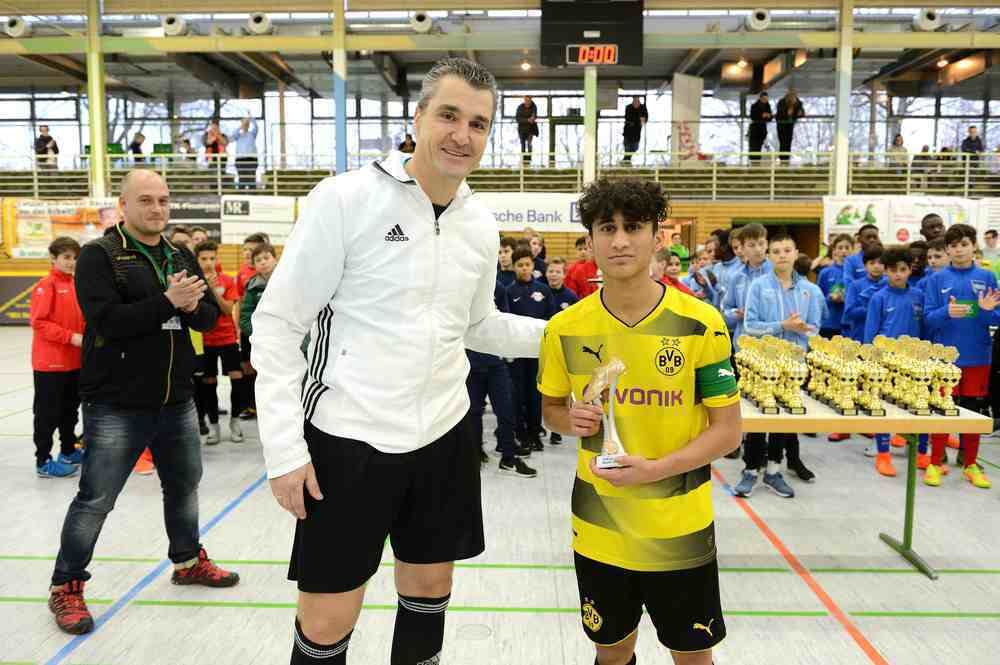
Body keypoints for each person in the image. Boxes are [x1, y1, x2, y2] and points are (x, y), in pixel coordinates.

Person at [249, 58, 548, 665]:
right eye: (449, 115)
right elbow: (278, 325)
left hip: (442, 434)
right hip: (347, 439)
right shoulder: (345, 200)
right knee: (329, 614)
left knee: (430, 587)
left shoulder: (480, 225)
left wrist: (570, 331)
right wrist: (284, 450)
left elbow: (478, 326)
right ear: (418, 118)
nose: (462, 134)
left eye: (479, 123)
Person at [539, 177, 740, 665]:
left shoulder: (700, 323)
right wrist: (574, 419)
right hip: (600, 524)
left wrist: (654, 470)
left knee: (691, 655)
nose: (621, 240)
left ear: (657, 236)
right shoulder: (564, 328)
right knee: (612, 652)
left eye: (634, 227)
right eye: (608, 228)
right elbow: (551, 412)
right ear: (590, 240)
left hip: (679, 526)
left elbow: (728, 431)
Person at [46, 170, 238, 636]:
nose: (158, 209)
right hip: (116, 402)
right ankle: (66, 585)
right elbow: (107, 322)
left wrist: (193, 308)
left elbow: (211, 317)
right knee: (95, 499)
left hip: (176, 398)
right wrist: (171, 301)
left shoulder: (179, 253)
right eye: (147, 201)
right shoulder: (100, 256)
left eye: (164, 200)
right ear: (123, 206)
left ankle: (188, 560)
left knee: (184, 486)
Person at [736, 233, 823, 497]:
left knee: (783, 420)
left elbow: (816, 332)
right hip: (762, 365)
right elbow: (750, 326)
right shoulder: (759, 287)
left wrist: (802, 329)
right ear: (770, 256)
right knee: (757, 419)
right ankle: (750, 470)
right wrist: (782, 326)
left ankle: (773, 470)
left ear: (796, 253)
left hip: (794, 367)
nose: (782, 255)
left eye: (787, 250)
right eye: (776, 251)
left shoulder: (812, 291)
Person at [923, 224, 1000, 489]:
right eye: (953, 245)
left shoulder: (987, 277)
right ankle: (935, 463)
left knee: (973, 412)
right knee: (942, 411)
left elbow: (996, 317)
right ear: (947, 250)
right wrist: (947, 311)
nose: (959, 249)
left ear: (973, 247)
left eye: (964, 244)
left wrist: (986, 311)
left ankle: (970, 464)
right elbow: (928, 320)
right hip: (945, 358)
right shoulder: (936, 279)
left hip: (978, 356)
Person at [862, 246, 928, 476]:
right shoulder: (879, 298)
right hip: (885, 362)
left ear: (910, 270)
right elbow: (870, 333)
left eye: (902, 269)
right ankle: (883, 454)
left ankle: (920, 453)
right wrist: (871, 360)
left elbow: (924, 328)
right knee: (883, 407)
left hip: (913, 363)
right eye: (893, 270)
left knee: (918, 405)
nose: (898, 274)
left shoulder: (919, 295)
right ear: (886, 271)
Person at [30, 237, 85, 479]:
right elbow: (39, 322)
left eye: (74, 257)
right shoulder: (46, 285)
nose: (71, 262)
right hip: (50, 363)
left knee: (70, 411)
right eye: (66, 257)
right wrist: (70, 337)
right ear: (53, 258)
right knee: (47, 414)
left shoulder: (76, 285)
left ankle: (68, 451)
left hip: (74, 362)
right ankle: (43, 461)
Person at [467, 281, 535, 474]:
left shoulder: (499, 289)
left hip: (496, 364)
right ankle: (475, 453)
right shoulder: (466, 286)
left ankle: (508, 457)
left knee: (506, 411)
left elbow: (504, 323)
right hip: (471, 363)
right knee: (473, 412)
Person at [195, 240, 247, 445]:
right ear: (197, 260)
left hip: (227, 338)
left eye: (212, 258)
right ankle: (214, 426)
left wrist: (213, 291)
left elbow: (227, 309)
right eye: (204, 259)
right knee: (209, 383)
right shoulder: (194, 282)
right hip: (205, 340)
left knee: (237, 378)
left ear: (217, 258)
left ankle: (235, 422)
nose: (208, 262)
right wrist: (204, 286)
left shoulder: (227, 280)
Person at [507, 247, 558, 451]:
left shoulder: (543, 290)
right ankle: (521, 432)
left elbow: (552, 318)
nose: (524, 268)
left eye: (528, 264)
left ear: (533, 265)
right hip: (518, 353)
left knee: (536, 393)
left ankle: (535, 431)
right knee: (518, 394)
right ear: (514, 267)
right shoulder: (510, 292)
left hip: (538, 351)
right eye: (520, 265)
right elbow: (508, 322)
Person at [721, 224, 770, 346]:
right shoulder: (737, 277)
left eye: (761, 243)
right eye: (752, 245)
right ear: (742, 248)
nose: (758, 249)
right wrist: (737, 313)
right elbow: (725, 310)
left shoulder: (778, 273)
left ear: (767, 244)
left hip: (771, 344)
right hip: (743, 345)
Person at [842, 246, 887, 342]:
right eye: (872, 263)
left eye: (880, 263)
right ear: (865, 266)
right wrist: (873, 309)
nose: (876, 266)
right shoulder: (855, 285)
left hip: (885, 337)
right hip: (860, 335)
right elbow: (849, 312)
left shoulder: (890, 284)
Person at [817, 233, 853, 339]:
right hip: (829, 324)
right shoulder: (825, 272)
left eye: (847, 248)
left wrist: (847, 299)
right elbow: (818, 299)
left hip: (849, 325)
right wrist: (830, 298)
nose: (844, 251)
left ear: (853, 250)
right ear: (835, 250)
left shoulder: (857, 274)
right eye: (840, 248)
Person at [775, 89, 805, 164]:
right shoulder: (782, 102)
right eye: (790, 95)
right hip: (781, 125)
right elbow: (779, 114)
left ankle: (786, 159)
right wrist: (787, 112)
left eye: (793, 95)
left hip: (790, 125)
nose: (792, 97)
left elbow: (802, 113)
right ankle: (782, 159)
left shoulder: (798, 103)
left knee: (788, 142)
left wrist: (799, 113)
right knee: (782, 142)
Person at [230, 117, 259, 190]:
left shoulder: (252, 134)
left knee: (251, 179)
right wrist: (241, 126)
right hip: (240, 160)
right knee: (242, 179)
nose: (245, 125)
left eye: (247, 124)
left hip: (252, 159)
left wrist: (250, 119)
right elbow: (233, 135)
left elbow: (256, 126)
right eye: (244, 124)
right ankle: (241, 194)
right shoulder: (238, 135)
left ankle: (253, 195)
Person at [748, 91, 772, 163]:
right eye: (764, 99)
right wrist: (762, 115)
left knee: (759, 148)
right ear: (760, 98)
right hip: (755, 130)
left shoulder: (768, 106)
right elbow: (753, 117)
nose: (765, 100)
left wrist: (768, 116)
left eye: (766, 99)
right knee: (754, 148)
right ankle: (753, 163)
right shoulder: (754, 106)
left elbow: (770, 118)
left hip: (762, 130)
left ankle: (757, 163)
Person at [622, 96, 648, 165]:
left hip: (637, 132)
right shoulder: (628, 107)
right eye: (634, 100)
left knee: (635, 148)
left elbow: (645, 118)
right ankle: (626, 161)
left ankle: (626, 160)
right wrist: (639, 119)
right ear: (633, 100)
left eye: (637, 100)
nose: (636, 102)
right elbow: (628, 118)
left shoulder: (643, 107)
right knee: (627, 148)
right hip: (628, 131)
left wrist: (641, 120)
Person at [515, 95, 538, 165]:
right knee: (523, 145)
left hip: (530, 129)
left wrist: (533, 118)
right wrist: (527, 120)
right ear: (524, 100)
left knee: (529, 144)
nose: (527, 102)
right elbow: (518, 119)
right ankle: (523, 160)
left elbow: (535, 115)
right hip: (522, 129)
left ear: (531, 100)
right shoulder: (520, 107)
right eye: (526, 100)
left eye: (529, 101)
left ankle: (529, 159)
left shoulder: (534, 106)